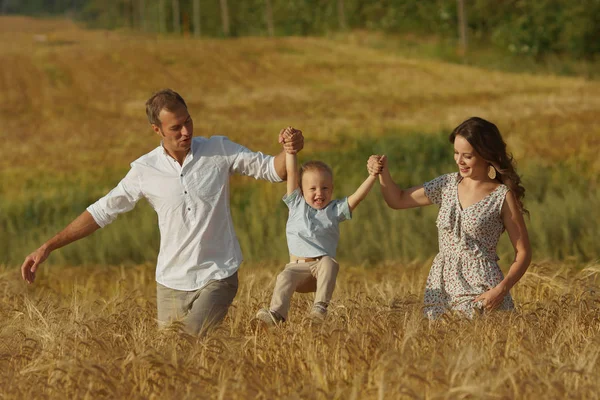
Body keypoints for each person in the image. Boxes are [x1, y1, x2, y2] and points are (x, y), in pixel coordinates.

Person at [20, 89, 304, 335]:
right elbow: (102, 211)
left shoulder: (218, 149)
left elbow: (272, 169)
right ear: (157, 130)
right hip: (170, 283)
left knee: (188, 342)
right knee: (168, 366)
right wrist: (49, 246)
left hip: (218, 273)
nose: (186, 131)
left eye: (188, 121)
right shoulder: (144, 170)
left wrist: (289, 150)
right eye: (176, 127)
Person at [368, 117, 531, 319]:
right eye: (456, 153)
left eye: (467, 156)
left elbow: (523, 252)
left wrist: (501, 290)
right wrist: (382, 172)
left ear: (486, 155)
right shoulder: (446, 184)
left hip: (482, 289)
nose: (459, 161)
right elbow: (398, 199)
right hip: (440, 286)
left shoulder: (501, 196)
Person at [256, 128, 378, 325]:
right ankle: (276, 314)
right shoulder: (296, 204)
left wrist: (372, 176)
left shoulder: (335, 209)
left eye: (325, 188)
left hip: (320, 270)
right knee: (284, 277)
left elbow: (357, 197)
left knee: (330, 262)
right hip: (297, 268)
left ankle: (319, 310)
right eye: (312, 189)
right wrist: (291, 151)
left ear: (332, 190)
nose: (319, 193)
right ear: (301, 190)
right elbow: (292, 172)